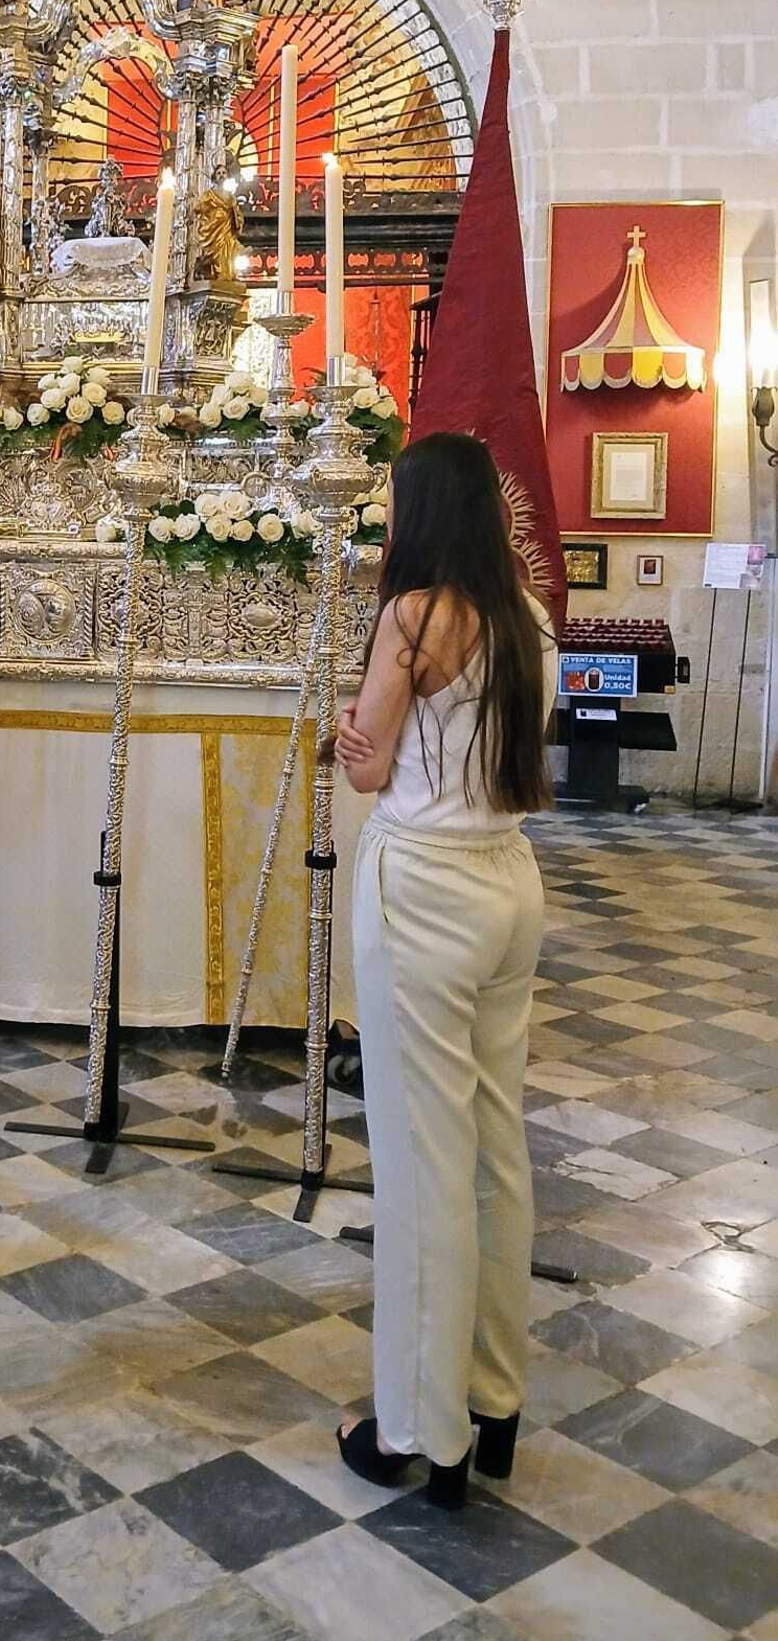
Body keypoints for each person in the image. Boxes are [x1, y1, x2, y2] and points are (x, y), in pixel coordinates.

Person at [332, 431, 557, 1511]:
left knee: (422, 1164)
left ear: (419, 513)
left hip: (421, 880)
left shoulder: (412, 617)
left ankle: (422, 1432)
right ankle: (495, 1398)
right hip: (509, 882)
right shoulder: (530, 623)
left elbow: (368, 761)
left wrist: (354, 739)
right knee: (494, 1151)